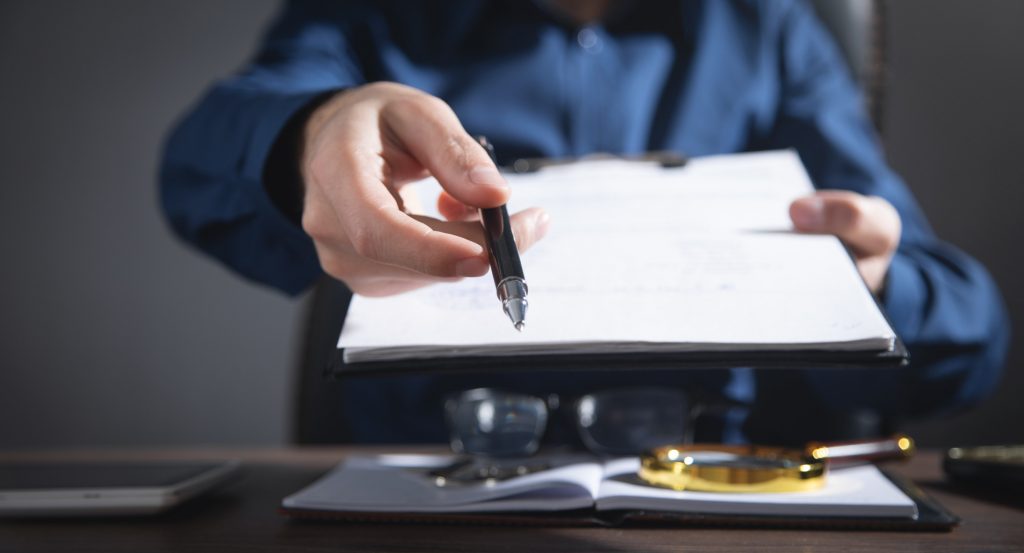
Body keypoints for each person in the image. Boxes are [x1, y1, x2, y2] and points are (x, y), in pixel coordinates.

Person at [160, 0, 1009, 445]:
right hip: (433, 493)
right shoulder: (373, 16)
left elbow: (970, 342)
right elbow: (195, 171)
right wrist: (311, 131)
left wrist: (874, 280)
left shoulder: (768, 27)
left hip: (713, 489)